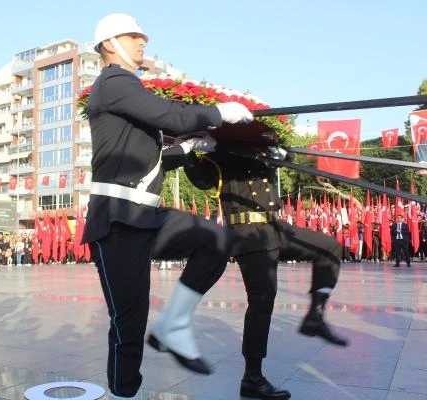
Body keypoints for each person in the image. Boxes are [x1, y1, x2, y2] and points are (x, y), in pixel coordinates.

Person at [82, 13, 254, 399]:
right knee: (128, 321)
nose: (143, 42)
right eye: (133, 36)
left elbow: (151, 150)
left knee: (215, 240)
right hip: (118, 219)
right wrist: (217, 113)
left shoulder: (126, 88)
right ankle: (123, 392)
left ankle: (173, 322)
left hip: (147, 215)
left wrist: (189, 148)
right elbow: (167, 115)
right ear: (110, 44)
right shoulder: (114, 82)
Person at [184, 146, 349, 400]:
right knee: (262, 301)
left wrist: (280, 152)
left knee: (329, 247)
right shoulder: (220, 157)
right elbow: (202, 180)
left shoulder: (260, 153)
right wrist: (191, 150)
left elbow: (286, 159)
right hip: (248, 234)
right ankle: (252, 377)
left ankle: (315, 316)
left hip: (275, 229)